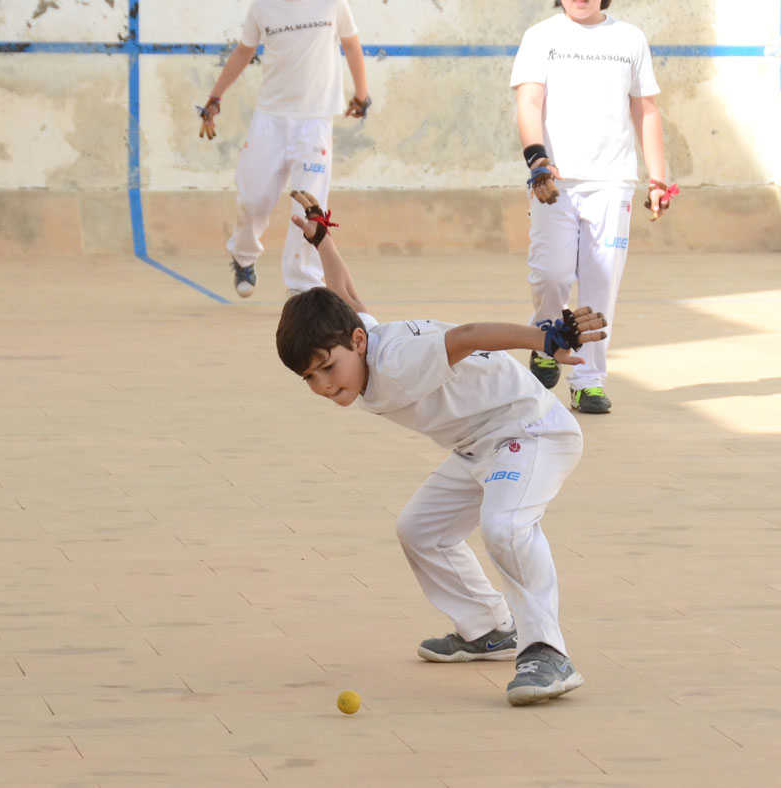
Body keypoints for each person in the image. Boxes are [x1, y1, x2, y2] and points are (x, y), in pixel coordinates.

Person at [275, 191, 609, 706]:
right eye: (309, 377)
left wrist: (542, 339)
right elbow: (344, 293)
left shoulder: (400, 360)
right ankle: (489, 628)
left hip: (532, 431)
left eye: (326, 367)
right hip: (479, 446)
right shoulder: (359, 337)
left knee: (505, 525)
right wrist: (323, 241)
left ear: (357, 346)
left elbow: (470, 335)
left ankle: (547, 651)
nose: (322, 384)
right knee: (420, 531)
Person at [511, 0, 676, 413]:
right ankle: (546, 338)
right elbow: (529, 103)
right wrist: (537, 160)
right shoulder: (541, 37)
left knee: (601, 283)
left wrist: (657, 177)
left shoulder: (630, 38)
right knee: (552, 274)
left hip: (613, 181)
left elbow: (645, 109)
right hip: (554, 180)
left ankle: (588, 380)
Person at [198, 0, 370, 299]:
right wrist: (215, 98)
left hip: (315, 122)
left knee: (310, 206)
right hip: (270, 119)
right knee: (253, 198)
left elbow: (352, 45)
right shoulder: (261, 7)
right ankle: (244, 255)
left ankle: (302, 286)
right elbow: (243, 51)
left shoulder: (333, 4)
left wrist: (362, 95)